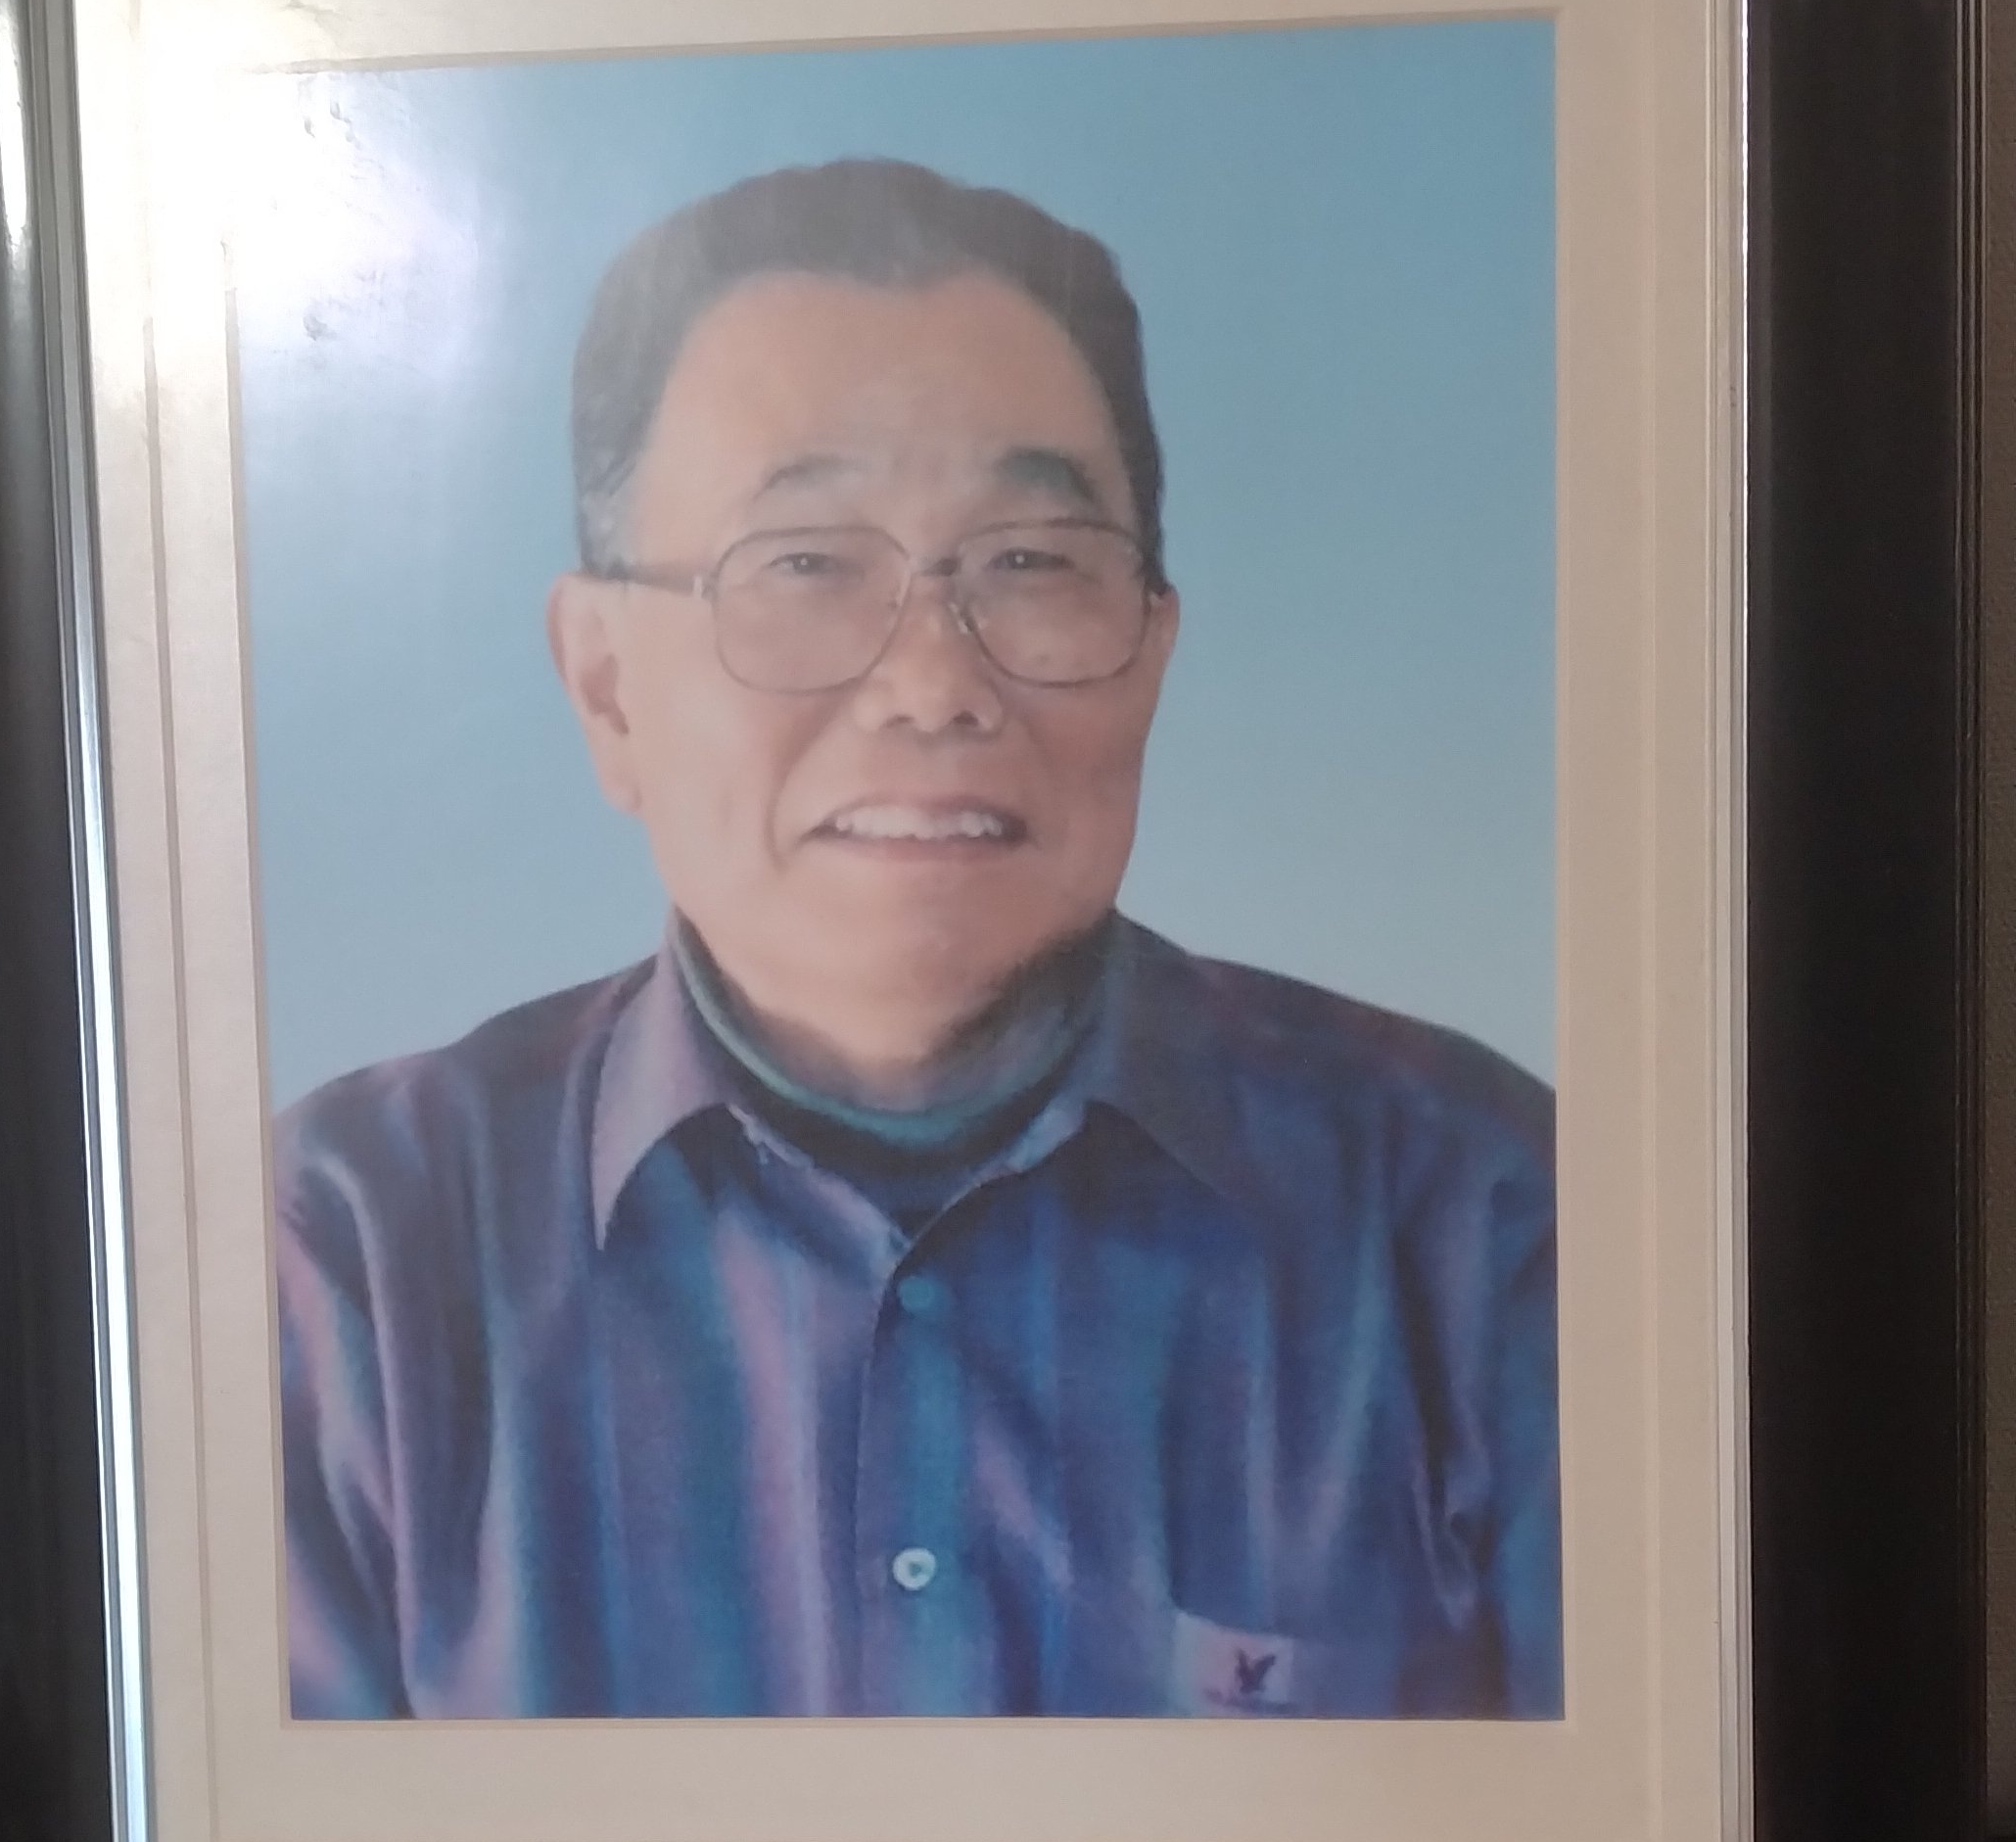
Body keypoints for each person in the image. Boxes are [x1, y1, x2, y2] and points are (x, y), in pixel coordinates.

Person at [276, 156, 1561, 1721]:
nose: (934, 685)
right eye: (806, 566)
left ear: (1153, 653)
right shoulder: (347, 1265)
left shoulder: (1482, 1224)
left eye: (1031, 564)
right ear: (607, 685)